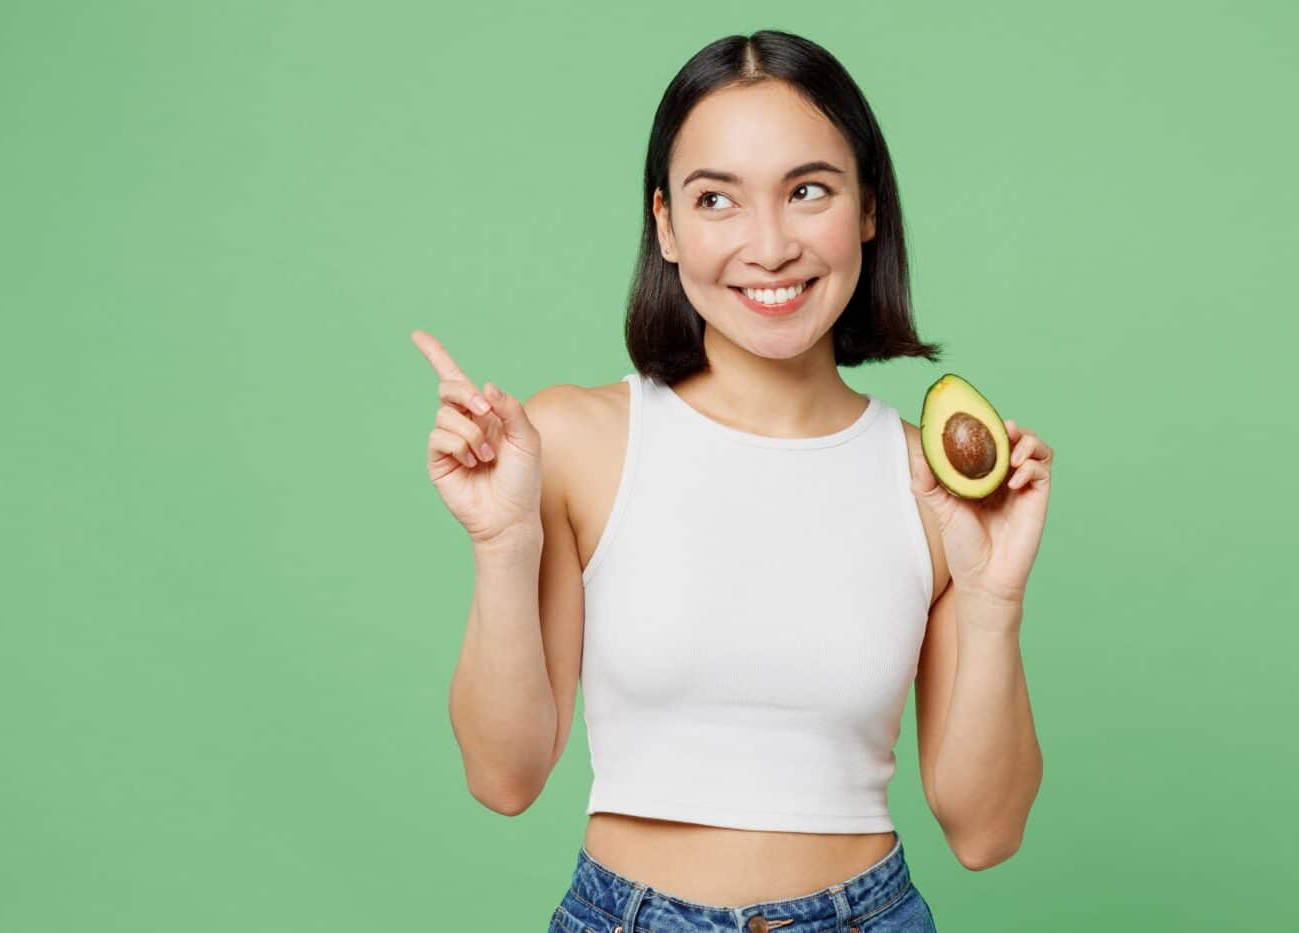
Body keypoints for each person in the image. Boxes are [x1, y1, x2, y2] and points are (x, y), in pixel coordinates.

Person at [413, 29, 1051, 933]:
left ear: (868, 206)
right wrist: (504, 545)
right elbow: (503, 777)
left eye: (807, 191)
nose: (770, 245)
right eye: (718, 199)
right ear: (667, 225)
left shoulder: (932, 481)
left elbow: (986, 832)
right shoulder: (577, 438)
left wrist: (992, 598)